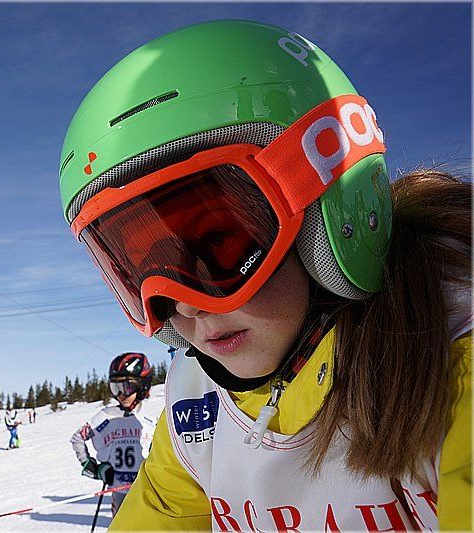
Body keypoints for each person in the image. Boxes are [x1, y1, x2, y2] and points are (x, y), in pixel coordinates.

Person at [58, 20, 471, 531]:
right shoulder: (197, 402)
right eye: (141, 273)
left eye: (218, 241)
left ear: (326, 209)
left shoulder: (450, 367)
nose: (183, 304)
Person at [71, 352, 157, 517]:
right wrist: (92, 467)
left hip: (149, 491)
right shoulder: (105, 417)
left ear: (142, 386)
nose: (121, 394)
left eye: (127, 387)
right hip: (119, 491)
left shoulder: (151, 418)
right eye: (115, 388)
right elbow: (77, 438)